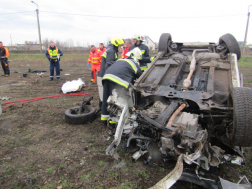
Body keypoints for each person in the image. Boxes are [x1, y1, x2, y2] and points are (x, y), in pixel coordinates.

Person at [101, 47, 143, 125]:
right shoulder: (134, 63)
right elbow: (141, 76)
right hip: (117, 80)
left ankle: (104, 119)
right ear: (137, 58)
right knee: (115, 101)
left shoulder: (121, 60)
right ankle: (113, 123)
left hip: (106, 77)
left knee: (107, 98)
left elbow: (108, 64)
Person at [97, 37, 124, 114]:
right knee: (106, 95)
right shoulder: (112, 51)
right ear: (116, 44)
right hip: (104, 76)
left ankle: (102, 109)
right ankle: (105, 111)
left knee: (103, 95)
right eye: (120, 46)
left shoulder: (110, 50)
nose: (120, 48)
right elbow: (109, 65)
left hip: (103, 75)